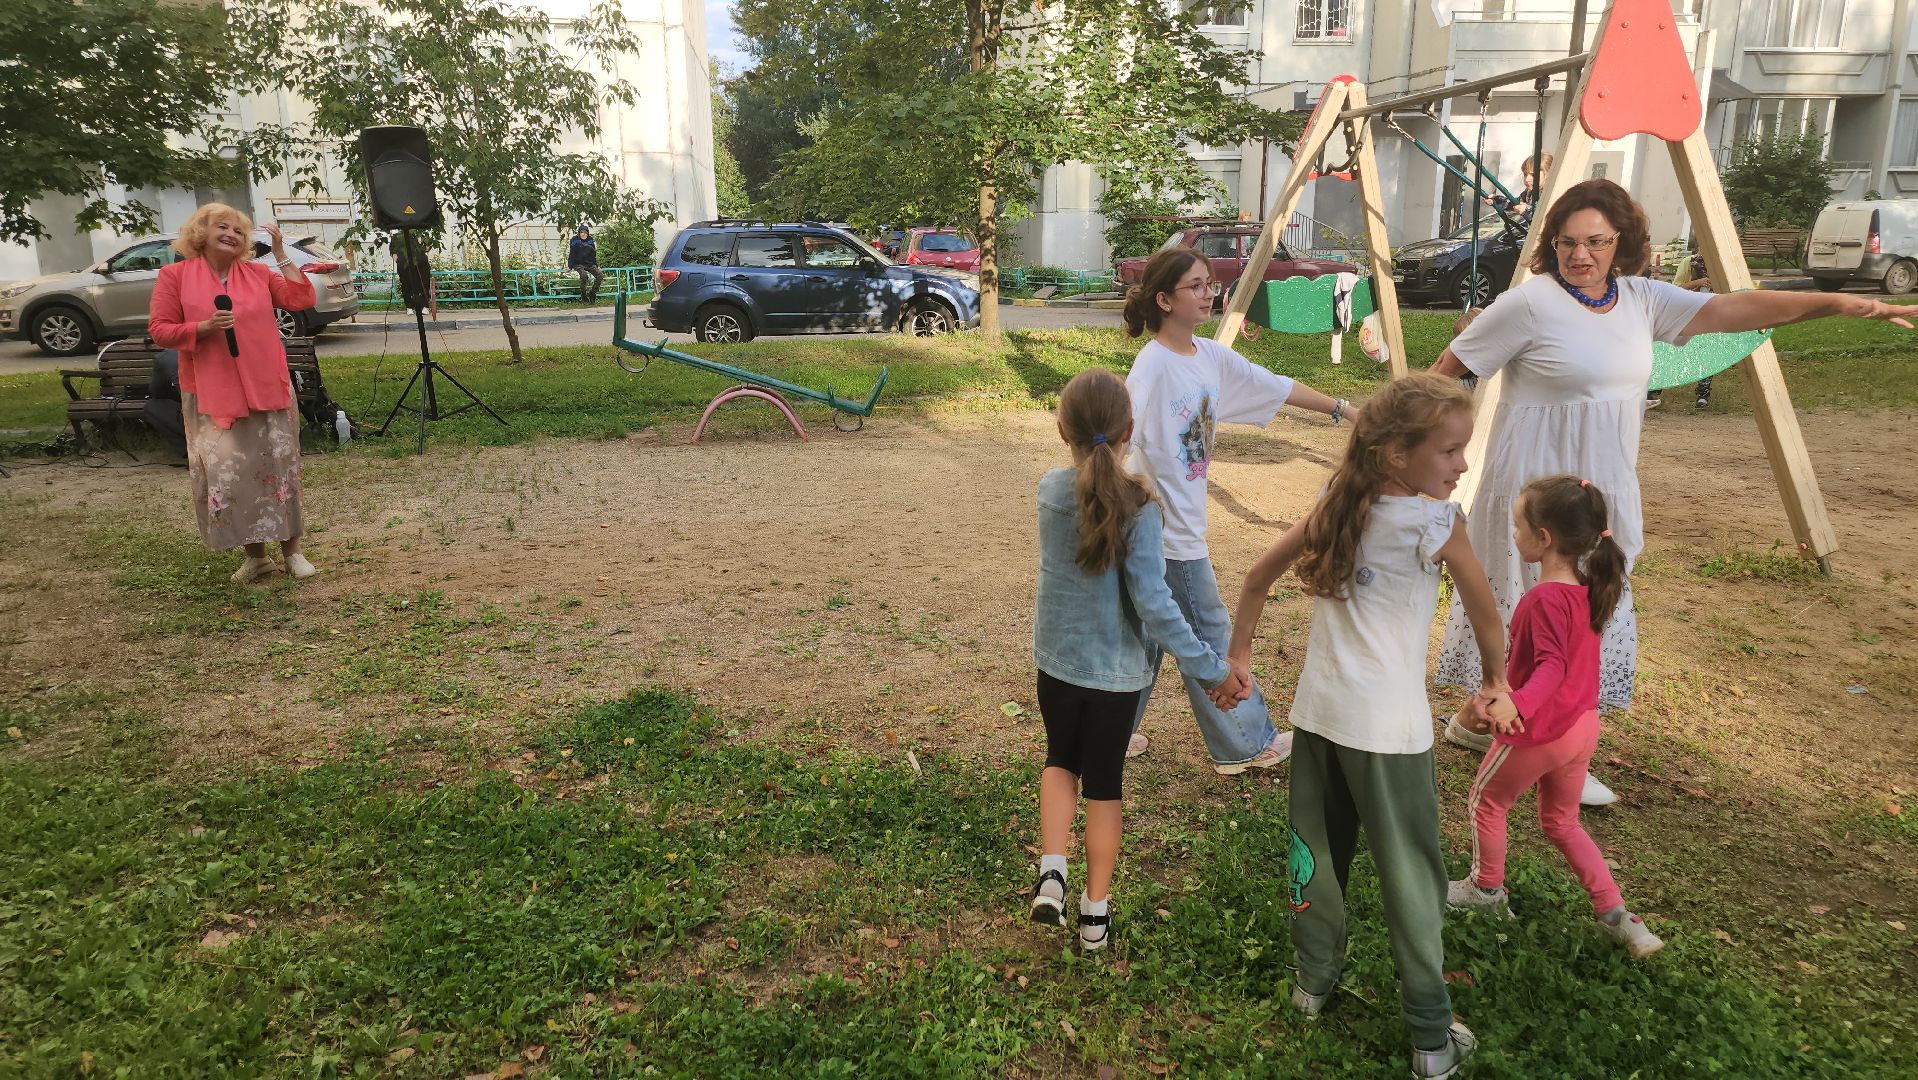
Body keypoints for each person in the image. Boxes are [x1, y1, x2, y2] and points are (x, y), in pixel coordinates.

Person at [1431, 179, 1911, 806]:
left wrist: (1833, 305)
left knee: (1589, 614)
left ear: (1620, 242)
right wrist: (1424, 464)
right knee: (1542, 620)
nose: (1581, 254)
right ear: (1552, 245)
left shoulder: (1641, 299)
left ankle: (1480, 722)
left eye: (1596, 242)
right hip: (1534, 496)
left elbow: (1728, 312)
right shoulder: (1527, 305)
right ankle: (1556, 752)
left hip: (1603, 490)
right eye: (1568, 242)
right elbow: (1445, 378)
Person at [1225, 372, 1507, 1079]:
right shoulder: (1437, 523)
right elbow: (1484, 609)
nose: (1462, 464)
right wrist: (1498, 681)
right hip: (1390, 735)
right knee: (1412, 881)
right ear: (1396, 456)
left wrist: (1240, 656)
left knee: (1315, 862)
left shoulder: (1336, 500)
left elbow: (1257, 576)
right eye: (1449, 451)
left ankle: (1310, 985)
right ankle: (1431, 1038)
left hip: (1318, 718)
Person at [1027, 368, 1248, 951]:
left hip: (1055, 667)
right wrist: (1212, 668)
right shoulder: (1141, 509)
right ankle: (1094, 914)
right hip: (1117, 678)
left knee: (1059, 762)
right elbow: (1155, 604)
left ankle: (1053, 872)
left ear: (1060, 430)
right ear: (1130, 429)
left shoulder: (1050, 492)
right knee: (1104, 786)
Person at [1120, 246, 1352, 774]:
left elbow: (1275, 386)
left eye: (1209, 283)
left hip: (1180, 524)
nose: (1209, 293)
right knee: (1206, 632)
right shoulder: (1153, 364)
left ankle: (1112, 731)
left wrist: (1344, 409)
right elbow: (1120, 435)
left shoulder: (1208, 356)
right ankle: (1246, 741)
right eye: (1196, 286)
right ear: (1163, 300)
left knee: (1149, 639)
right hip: (1167, 529)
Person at [1447, 475, 1664, 958]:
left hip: (1541, 730)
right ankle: (1619, 917)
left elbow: (1552, 667)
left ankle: (1486, 891)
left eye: (1519, 527)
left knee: (1487, 802)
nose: (1515, 536)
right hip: (1581, 728)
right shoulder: (1590, 590)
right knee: (1562, 823)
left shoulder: (1543, 599)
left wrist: (1515, 703)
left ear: (1544, 538)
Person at [148, 203, 321, 583]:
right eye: (221, 227)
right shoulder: (174, 276)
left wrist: (280, 255)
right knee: (232, 474)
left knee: (279, 469)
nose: (231, 234)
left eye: (239, 231)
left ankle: (292, 551)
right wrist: (202, 327)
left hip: (267, 386)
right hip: (211, 392)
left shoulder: (259, 274)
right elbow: (160, 329)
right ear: (201, 234)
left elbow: (302, 299)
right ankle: (255, 556)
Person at [568, 225, 603, 304]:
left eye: (585, 233)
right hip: (578, 263)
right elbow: (572, 254)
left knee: (600, 275)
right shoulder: (574, 240)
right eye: (581, 232)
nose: (583, 234)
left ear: (587, 234)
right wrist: (570, 266)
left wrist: (596, 266)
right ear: (579, 233)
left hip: (589, 263)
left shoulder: (590, 240)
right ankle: (584, 296)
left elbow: (593, 254)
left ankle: (592, 293)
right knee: (584, 275)